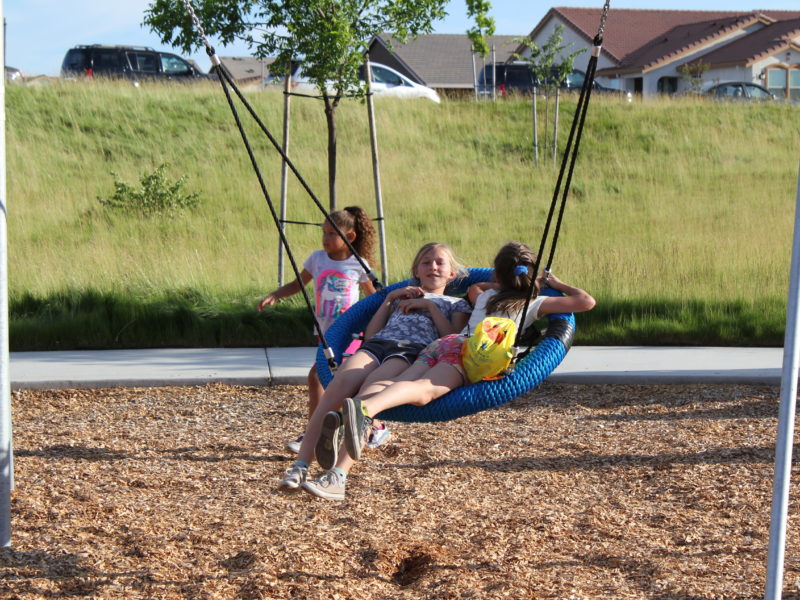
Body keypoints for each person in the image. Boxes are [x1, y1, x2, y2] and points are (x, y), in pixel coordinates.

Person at [301, 241, 596, 500]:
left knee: (397, 384)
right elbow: (586, 302)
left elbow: (475, 287)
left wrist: (504, 284)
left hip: (441, 345)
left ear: (496, 275)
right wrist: (551, 283)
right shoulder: (536, 302)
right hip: (468, 356)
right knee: (424, 392)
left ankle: (345, 452)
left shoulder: (484, 296)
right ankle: (362, 411)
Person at [278, 241, 473, 491]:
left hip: (409, 352)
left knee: (366, 398)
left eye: (439, 263)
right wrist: (389, 300)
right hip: (376, 346)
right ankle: (300, 465)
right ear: (416, 270)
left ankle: (338, 475)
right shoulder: (402, 296)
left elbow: (451, 339)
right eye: (426, 262)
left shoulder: (456, 304)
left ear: (452, 273)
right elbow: (371, 334)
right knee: (337, 388)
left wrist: (430, 307)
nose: (432, 267)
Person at [257, 206, 390, 454]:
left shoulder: (357, 264)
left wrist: (384, 320)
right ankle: (375, 426)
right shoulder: (316, 259)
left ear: (350, 237)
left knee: (319, 377)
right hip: (325, 332)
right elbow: (298, 284)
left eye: (332, 234)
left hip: (349, 332)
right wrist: (276, 295)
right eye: (324, 233)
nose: (326, 239)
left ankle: (314, 432)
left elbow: (373, 297)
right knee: (335, 381)